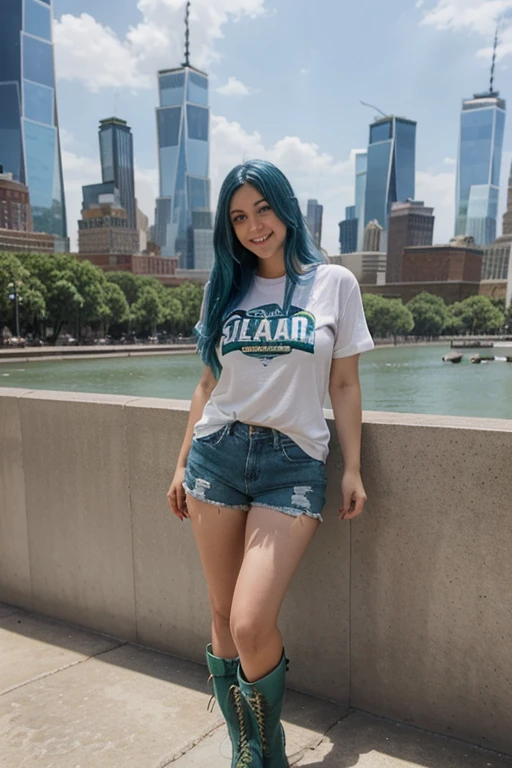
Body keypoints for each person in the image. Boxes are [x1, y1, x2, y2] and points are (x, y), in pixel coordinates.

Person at [167, 159, 374, 768]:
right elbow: (207, 384)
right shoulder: (224, 288)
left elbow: (344, 383)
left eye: (262, 209)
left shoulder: (334, 283)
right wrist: (181, 464)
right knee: (222, 615)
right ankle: (249, 752)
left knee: (253, 622)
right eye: (238, 217)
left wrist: (353, 467)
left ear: (285, 208)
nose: (253, 226)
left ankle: (270, 741)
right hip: (218, 456)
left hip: (293, 464)